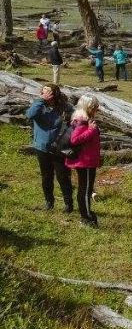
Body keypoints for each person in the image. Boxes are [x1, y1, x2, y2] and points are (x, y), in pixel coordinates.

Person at [26, 84, 74, 213]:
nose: (44, 93)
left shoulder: (65, 107)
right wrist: (40, 100)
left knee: (62, 177)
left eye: (48, 91)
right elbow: (30, 115)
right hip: (42, 147)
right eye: (43, 91)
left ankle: (68, 204)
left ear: (54, 94)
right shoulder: (39, 105)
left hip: (60, 148)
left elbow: (74, 122)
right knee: (46, 176)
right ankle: (49, 202)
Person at [65, 94, 101, 227]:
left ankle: (85, 215)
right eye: (94, 107)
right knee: (85, 190)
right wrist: (91, 130)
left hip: (88, 160)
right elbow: (74, 140)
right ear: (88, 107)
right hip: (85, 161)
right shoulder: (82, 120)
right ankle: (87, 217)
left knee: (85, 189)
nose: (96, 109)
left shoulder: (85, 119)